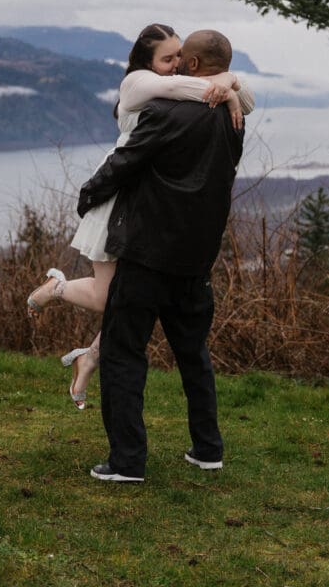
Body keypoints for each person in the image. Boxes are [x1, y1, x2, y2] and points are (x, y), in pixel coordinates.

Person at [26, 23, 254, 408]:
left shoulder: (178, 84)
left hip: (139, 199)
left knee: (127, 298)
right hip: (116, 193)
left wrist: (230, 85)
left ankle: (88, 359)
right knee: (109, 297)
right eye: (168, 58)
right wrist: (227, 88)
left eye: (180, 56)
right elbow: (190, 89)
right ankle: (57, 288)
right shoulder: (138, 83)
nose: (176, 65)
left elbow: (237, 97)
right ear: (147, 62)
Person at [76, 29, 244, 483]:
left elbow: (125, 160)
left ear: (191, 65)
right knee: (194, 354)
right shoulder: (234, 118)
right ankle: (208, 449)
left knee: (124, 353)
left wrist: (88, 194)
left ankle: (127, 462)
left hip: (148, 253)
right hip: (196, 259)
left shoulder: (167, 113)